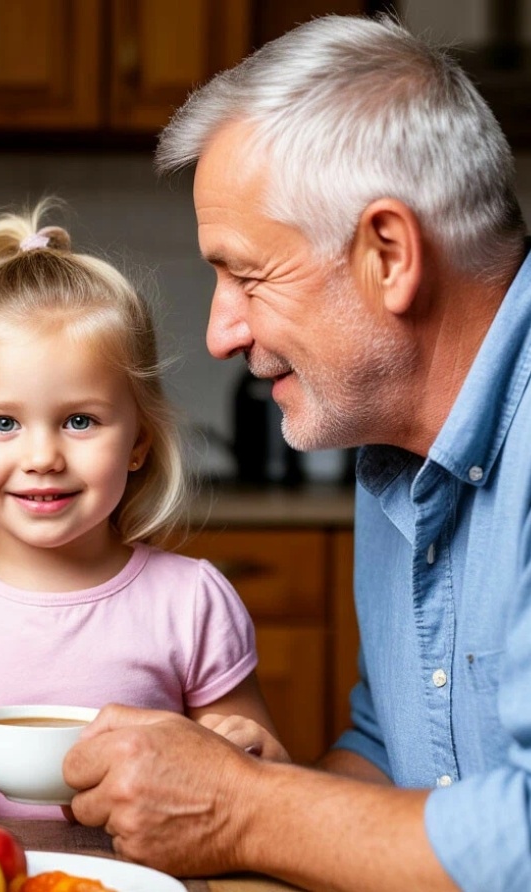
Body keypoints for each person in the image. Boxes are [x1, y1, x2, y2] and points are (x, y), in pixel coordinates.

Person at [61, 13, 531, 892]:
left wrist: (243, 807)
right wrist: (248, 776)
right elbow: (400, 755)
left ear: (387, 255)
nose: (218, 331)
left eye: (246, 274)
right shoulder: (393, 443)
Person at [0, 201, 288, 820]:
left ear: (138, 441)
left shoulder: (193, 603)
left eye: (79, 421)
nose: (42, 457)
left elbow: (259, 784)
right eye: (3, 422)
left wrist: (254, 760)